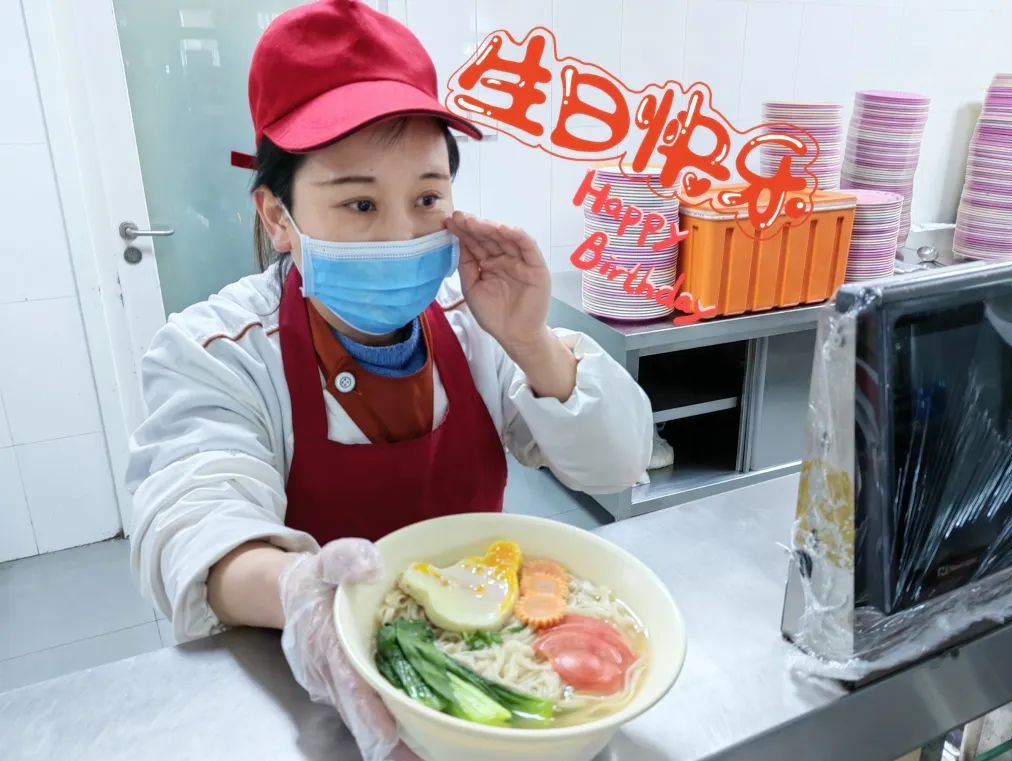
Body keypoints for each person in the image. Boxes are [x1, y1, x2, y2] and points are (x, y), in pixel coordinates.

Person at [125, 1, 652, 758]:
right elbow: (192, 523)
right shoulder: (218, 349)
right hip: (303, 692)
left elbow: (618, 464)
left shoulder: (474, 319)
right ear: (277, 216)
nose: (402, 234)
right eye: (360, 203)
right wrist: (299, 593)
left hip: (477, 671)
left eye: (427, 199)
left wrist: (531, 340)